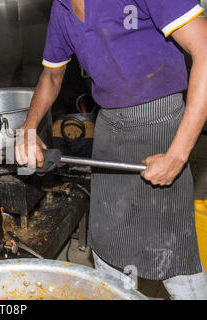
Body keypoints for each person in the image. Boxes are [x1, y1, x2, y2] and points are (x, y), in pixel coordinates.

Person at [15, 0, 207, 299]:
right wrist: (28, 127)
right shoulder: (61, 9)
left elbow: (205, 52)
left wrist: (178, 154)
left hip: (160, 122)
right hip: (108, 126)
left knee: (170, 250)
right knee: (107, 242)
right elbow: (51, 76)